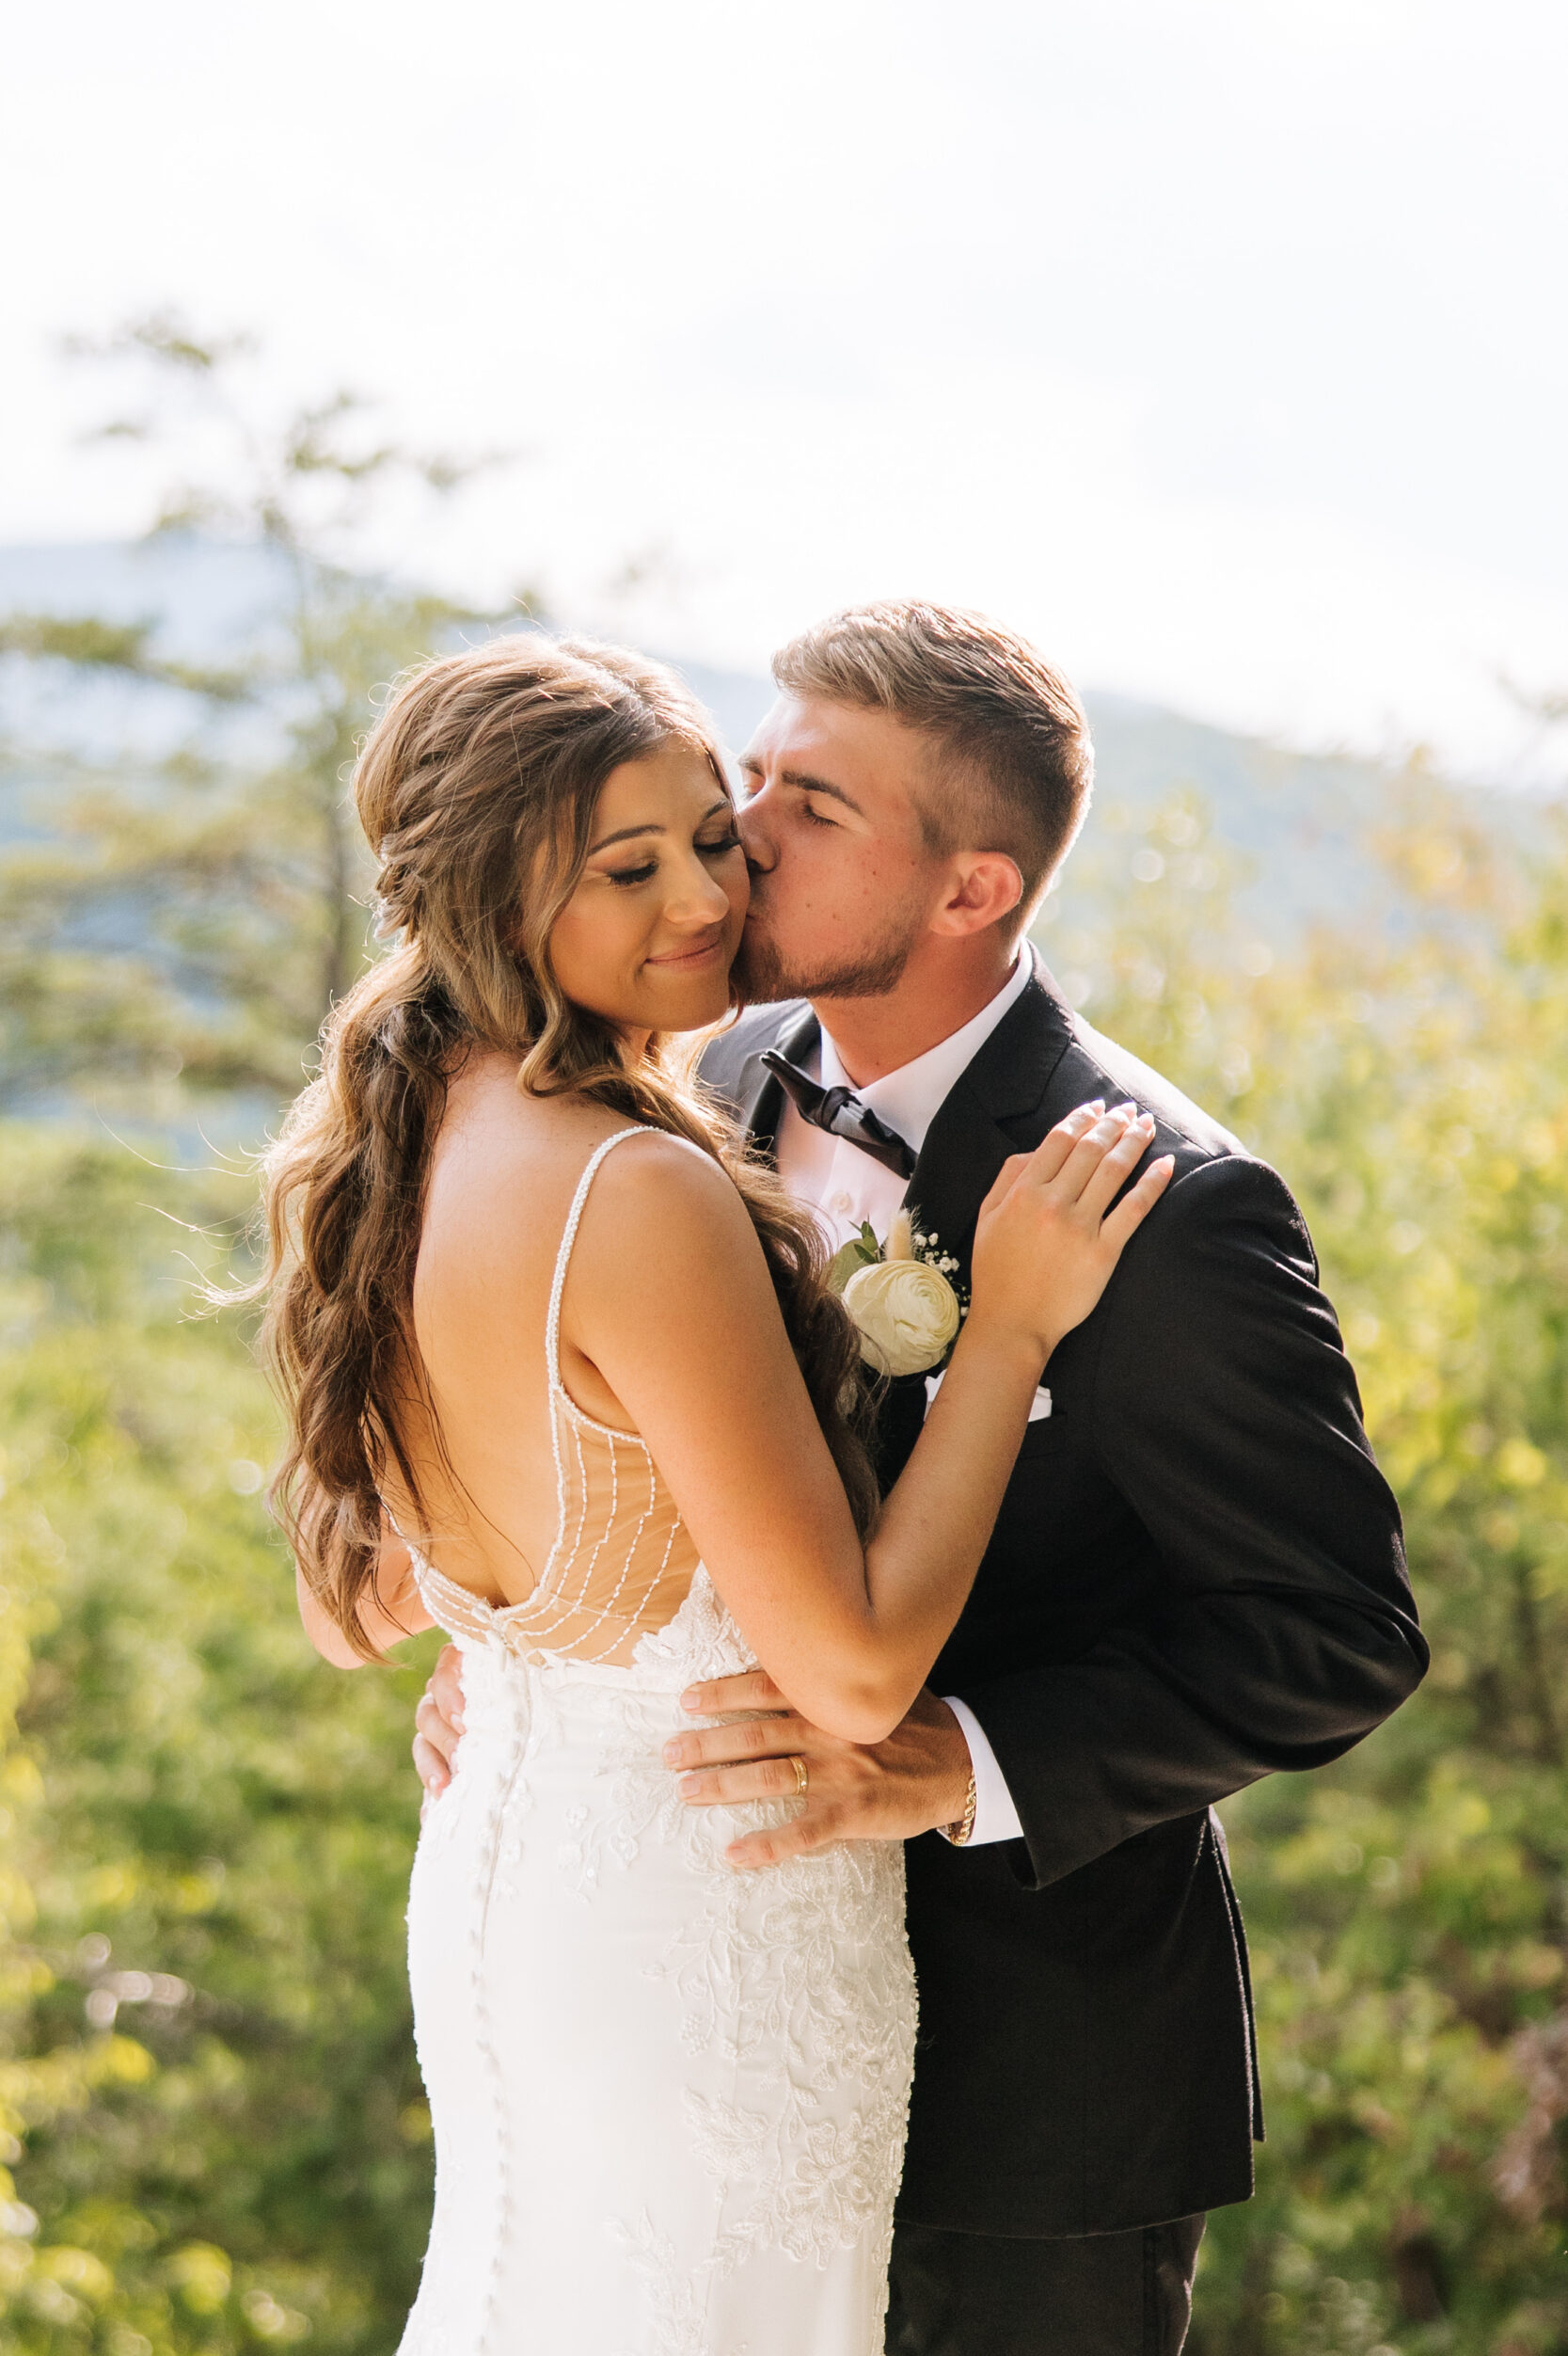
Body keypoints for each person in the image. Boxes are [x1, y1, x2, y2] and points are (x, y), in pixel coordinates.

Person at [415, 601, 1429, 2355]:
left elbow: (1339, 1637)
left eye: (815, 811)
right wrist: (527, 1639)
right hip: (713, 2014)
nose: (743, 845)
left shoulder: (1169, 1213)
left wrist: (964, 1763)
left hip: (1034, 2101)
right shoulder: (699, 1089)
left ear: (970, 893)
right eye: (758, 779)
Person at [255, 631, 1173, 2356]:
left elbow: (353, 1604)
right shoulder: (631, 1182)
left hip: (522, 1890)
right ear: (488, 897)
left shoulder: (392, 1141)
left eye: (713, 831)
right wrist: (1010, 1324)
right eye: (631, 866)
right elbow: (849, 1677)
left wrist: (521, 1649)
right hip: (707, 1935)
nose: (710, 890)